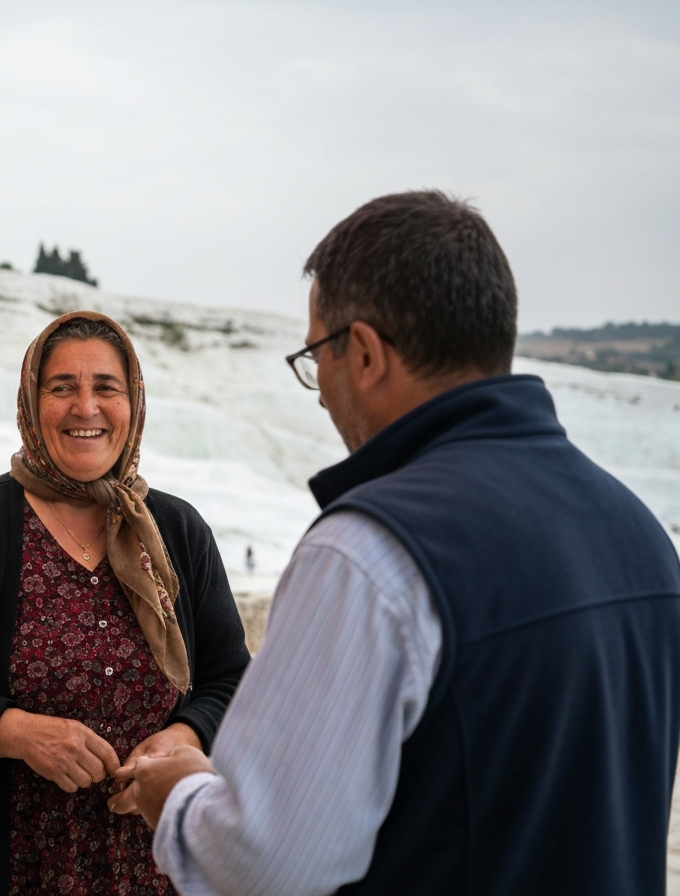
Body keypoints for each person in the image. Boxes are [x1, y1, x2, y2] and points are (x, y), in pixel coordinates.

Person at [119, 191, 680, 895]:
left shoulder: (368, 553)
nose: (319, 389)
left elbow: (265, 861)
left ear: (363, 353)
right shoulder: (639, 531)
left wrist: (176, 794)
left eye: (315, 355)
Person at [0, 312, 250, 895]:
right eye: (62, 388)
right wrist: (17, 732)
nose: (86, 407)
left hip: (151, 872)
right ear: (31, 399)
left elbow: (230, 677)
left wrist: (187, 736)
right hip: (4, 866)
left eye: (106, 387)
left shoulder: (178, 531)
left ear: (134, 402)